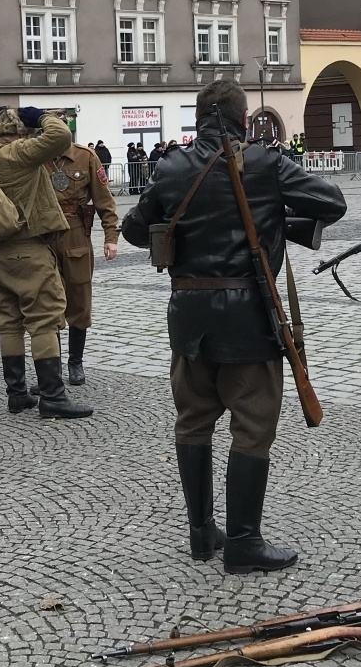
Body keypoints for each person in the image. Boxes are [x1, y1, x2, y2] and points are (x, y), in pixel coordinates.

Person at [121, 80, 347, 573]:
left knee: (194, 421)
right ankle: (243, 541)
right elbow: (332, 203)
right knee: (252, 426)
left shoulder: (172, 166)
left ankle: (202, 534)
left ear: (199, 118)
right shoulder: (265, 163)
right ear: (243, 120)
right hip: (248, 317)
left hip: (188, 316)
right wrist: (271, 211)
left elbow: (135, 230)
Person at [0, 108, 91, 420]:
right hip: (27, 248)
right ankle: (53, 397)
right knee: (44, 319)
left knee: (9, 322)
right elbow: (61, 135)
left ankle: (17, 395)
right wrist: (40, 116)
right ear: (19, 133)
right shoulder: (19, 153)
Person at [45, 134, 119, 386]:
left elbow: (104, 199)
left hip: (75, 232)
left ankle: (75, 361)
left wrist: (111, 236)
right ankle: (50, 368)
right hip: (42, 235)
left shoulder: (85, 156)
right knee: (46, 302)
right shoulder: (35, 155)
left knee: (79, 298)